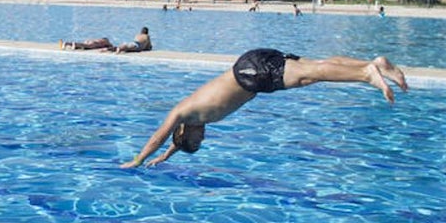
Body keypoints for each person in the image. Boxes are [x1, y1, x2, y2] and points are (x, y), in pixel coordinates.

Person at [121, 49, 408, 168]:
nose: (203, 138)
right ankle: (373, 64)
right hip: (252, 67)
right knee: (312, 69)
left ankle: (367, 74)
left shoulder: (182, 113)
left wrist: (138, 159)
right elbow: (174, 144)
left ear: (185, 132)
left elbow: (160, 137)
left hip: (252, 74)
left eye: (198, 140)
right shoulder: (195, 117)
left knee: (313, 74)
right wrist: (165, 158)